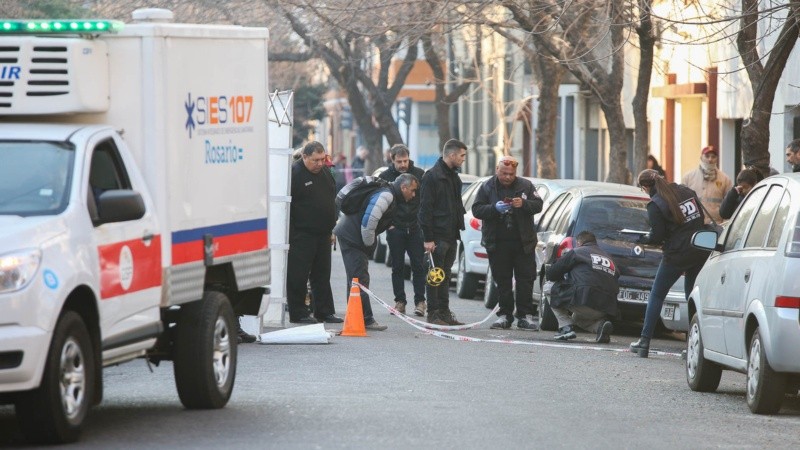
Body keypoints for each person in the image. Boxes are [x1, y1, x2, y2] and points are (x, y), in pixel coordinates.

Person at [630, 169, 711, 358]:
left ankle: (644, 342)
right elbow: (700, 218)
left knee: (657, 294)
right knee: (692, 297)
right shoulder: (686, 191)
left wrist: (646, 239)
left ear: (645, 186)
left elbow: (658, 235)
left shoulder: (655, 204)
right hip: (698, 249)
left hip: (676, 254)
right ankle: (693, 346)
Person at [334, 173, 420, 331]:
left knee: (355, 279)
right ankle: (365, 319)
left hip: (350, 234)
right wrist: (369, 244)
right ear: (403, 187)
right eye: (413, 190)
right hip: (353, 237)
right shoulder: (387, 196)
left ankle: (357, 317)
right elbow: (369, 221)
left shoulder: (389, 194)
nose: (414, 195)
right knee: (359, 279)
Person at [471, 155, 542, 331]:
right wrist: (494, 208)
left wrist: (524, 204)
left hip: (523, 243)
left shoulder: (526, 186)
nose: (508, 177)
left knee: (525, 280)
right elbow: (476, 209)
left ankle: (524, 316)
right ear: (497, 170)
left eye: (511, 174)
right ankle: (504, 315)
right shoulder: (487, 186)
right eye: (504, 173)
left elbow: (538, 205)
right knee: (502, 280)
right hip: (497, 243)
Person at [286, 141, 343, 324]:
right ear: (304, 157)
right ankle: (299, 312)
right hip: (301, 234)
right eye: (315, 160)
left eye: (322, 159)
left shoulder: (325, 171)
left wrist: (332, 228)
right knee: (298, 275)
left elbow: (331, 199)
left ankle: (324, 311)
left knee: (322, 275)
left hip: (323, 233)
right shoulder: (294, 173)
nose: (320, 163)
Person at [418, 138, 468, 326]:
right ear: (452, 155)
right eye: (461, 155)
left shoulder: (454, 177)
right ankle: (433, 313)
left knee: (445, 276)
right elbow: (425, 210)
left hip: (451, 234)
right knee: (435, 275)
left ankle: (444, 312)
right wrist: (428, 238)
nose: (463, 159)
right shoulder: (432, 177)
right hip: (437, 236)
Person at [378, 144, 427, 317]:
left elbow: (425, 200)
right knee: (397, 266)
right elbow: (379, 203)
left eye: (405, 160)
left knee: (418, 266)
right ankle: (400, 302)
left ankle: (420, 302)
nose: (403, 164)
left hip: (415, 228)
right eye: (399, 161)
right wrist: (388, 224)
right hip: (396, 228)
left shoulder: (419, 174)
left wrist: (421, 223)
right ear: (392, 160)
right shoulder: (385, 177)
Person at [545, 231, 619, 342]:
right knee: (577, 318)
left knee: (548, 286)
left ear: (579, 242)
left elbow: (551, 274)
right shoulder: (609, 259)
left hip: (584, 300)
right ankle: (600, 326)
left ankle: (565, 327)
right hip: (606, 308)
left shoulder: (578, 252)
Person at [682, 145, 732, 224]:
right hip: (694, 224)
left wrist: (725, 224)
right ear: (701, 157)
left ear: (717, 159)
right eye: (707, 156)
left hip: (716, 224)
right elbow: (681, 202)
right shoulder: (688, 177)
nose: (710, 159)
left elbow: (729, 204)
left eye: (713, 157)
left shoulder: (725, 179)